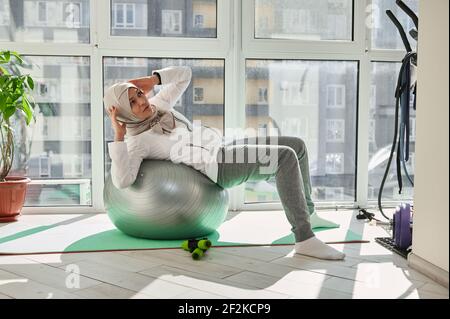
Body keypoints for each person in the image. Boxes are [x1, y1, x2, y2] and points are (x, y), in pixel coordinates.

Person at [103, 65, 345, 260]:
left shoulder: (159, 105)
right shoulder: (137, 142)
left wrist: (153, 79)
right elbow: (123, 180)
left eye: (138, 94)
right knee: (285, 157)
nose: (142, 102)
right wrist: (119, 135)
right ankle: (304, 238)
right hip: (216, 165)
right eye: (132, 103)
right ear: (123, 113)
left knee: (297, 145)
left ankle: (310, 214)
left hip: (222, 144)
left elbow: (184, 75)